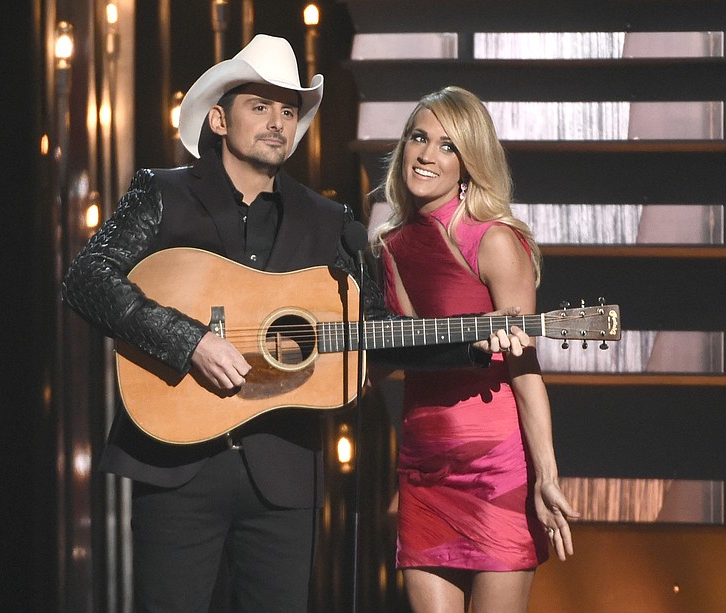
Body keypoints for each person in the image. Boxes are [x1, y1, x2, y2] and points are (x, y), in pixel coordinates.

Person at [62, 36, 528, 613]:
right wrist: (190, 342)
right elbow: (86, 279)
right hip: (174, 465)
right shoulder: (163, 193)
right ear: (218, 117)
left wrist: (475, 344)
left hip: (284, 475)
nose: (278, 122)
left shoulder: (330, 221)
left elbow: (376, 334)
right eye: (260, 106)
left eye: (288, 110)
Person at [369, 86, 580, 613]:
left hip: (496, 470)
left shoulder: (494, 241)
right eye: (419, 137)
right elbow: (403, 358)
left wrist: (546, 476)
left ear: (468, 163)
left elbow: (526, 371)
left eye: (447, 146)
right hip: (422, 466)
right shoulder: (387, 247)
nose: (426, 155)